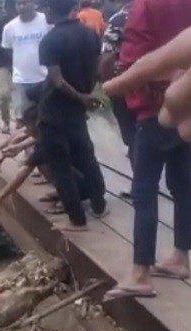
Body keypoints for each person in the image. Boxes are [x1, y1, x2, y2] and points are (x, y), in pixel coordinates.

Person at [102, 0, 191, 298]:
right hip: (186, 107)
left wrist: (120, 77)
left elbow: (134, 63)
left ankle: (140, 273)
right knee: (183, 185)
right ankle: (180, 257)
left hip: (152, 110)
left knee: (144, 189)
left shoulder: (144, 6)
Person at [38, 0, 108, 232]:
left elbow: (57, 81)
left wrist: (80, 97)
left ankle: (77, 220)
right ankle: (99, 206)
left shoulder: (50, 40)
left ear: (50, 10)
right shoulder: (91, 34)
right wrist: (88, 94)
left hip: (54, 110)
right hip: (77, 110)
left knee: (61, 168)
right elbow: (98, 70)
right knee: (86, 157)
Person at [99, 0, 136, 198]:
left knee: (133, 136)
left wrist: (106, 84)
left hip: (125, 85)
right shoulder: (161, 13)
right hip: (159, 83)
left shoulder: (119, 19)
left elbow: (107, 56)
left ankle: (140, 182)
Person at [2, 0, 51, 129]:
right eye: (18, 4)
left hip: (46, 78)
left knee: (47, 116)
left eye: (25, 3)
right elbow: (8, 51)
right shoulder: (9, 28)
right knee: (23, 119)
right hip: (21, 80)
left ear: (34, 3)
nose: (21, 7)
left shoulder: (47, 21)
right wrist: (16, 70)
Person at [0, 0, 17, 134]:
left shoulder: (21, 23)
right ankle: (6, 122)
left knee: (21, 95)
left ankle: (22, 122)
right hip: (3, 63)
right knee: (4, 94)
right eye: (10, 6)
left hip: (20, 63)